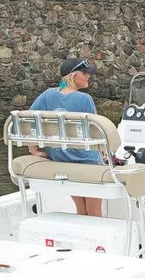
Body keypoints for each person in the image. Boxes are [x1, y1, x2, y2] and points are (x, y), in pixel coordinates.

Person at [28, 58, 104, 217]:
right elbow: (96, 132)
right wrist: (104, 152)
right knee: (95, 211)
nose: (88, 76)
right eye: (85, 73)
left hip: (63, 160)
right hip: (88, 162)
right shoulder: (85, 99)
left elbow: (29, 120)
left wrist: (33, 149)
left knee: (82, 210)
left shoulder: (47, 95)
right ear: (73, 75)